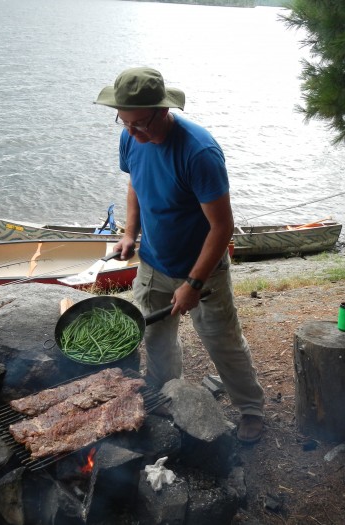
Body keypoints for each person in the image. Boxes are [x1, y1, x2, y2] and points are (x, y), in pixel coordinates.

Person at [94, 66, 265, 443]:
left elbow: (223, 227)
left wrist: (193, 283)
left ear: (163, 110)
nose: (133, 133)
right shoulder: (132, 138)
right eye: (124, 124)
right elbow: (135, 185)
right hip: (153, 262)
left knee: (222, 340)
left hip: (203, 271)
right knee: (156, 338)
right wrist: (130, 233)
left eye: (140, 124)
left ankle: (251, 408)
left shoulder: (198, 152)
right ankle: (168, 398)